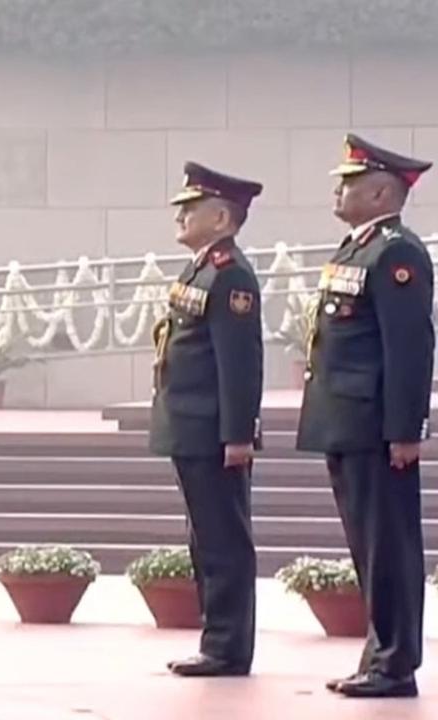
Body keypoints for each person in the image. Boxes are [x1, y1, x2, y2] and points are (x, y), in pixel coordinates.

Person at [296, 134, 433, 699]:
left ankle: (396, 663)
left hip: (377, 426)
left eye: (349, 182)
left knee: (389, 546)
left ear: (381, 191)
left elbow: (409, 347)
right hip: (347, 420)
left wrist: (405, 429)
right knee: (368, 547)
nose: (338, 189)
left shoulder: (397, 252)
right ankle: (379, 654)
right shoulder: (358, 249)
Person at [149, 162, 264, 677]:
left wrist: (238, 435)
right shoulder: (202, 267)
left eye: (190, 208)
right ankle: (216, 639)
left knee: (223, 541)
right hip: (191, 426)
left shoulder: (231, 273)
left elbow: (239, 362)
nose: (180, 215)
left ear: (220, 217)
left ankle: (227, 647)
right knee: (205, 539)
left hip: (214, 432)